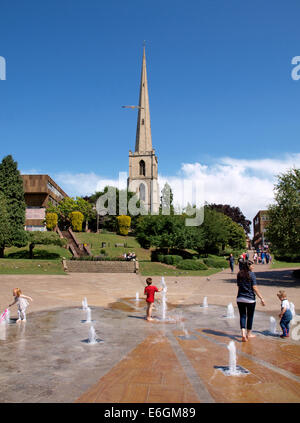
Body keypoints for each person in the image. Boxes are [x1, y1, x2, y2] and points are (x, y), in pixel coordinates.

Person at [236, 261, 265, 342]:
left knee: (242, 316)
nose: (253, 267)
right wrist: (261, 298)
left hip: (240, 298)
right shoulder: (251, 274)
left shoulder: (239, 274)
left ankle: (243, 333)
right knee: (250, 316)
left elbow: (239, 286)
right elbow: (255, 288)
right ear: (248, 266)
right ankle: (249, 334)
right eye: (252, 265)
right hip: (250, 299)